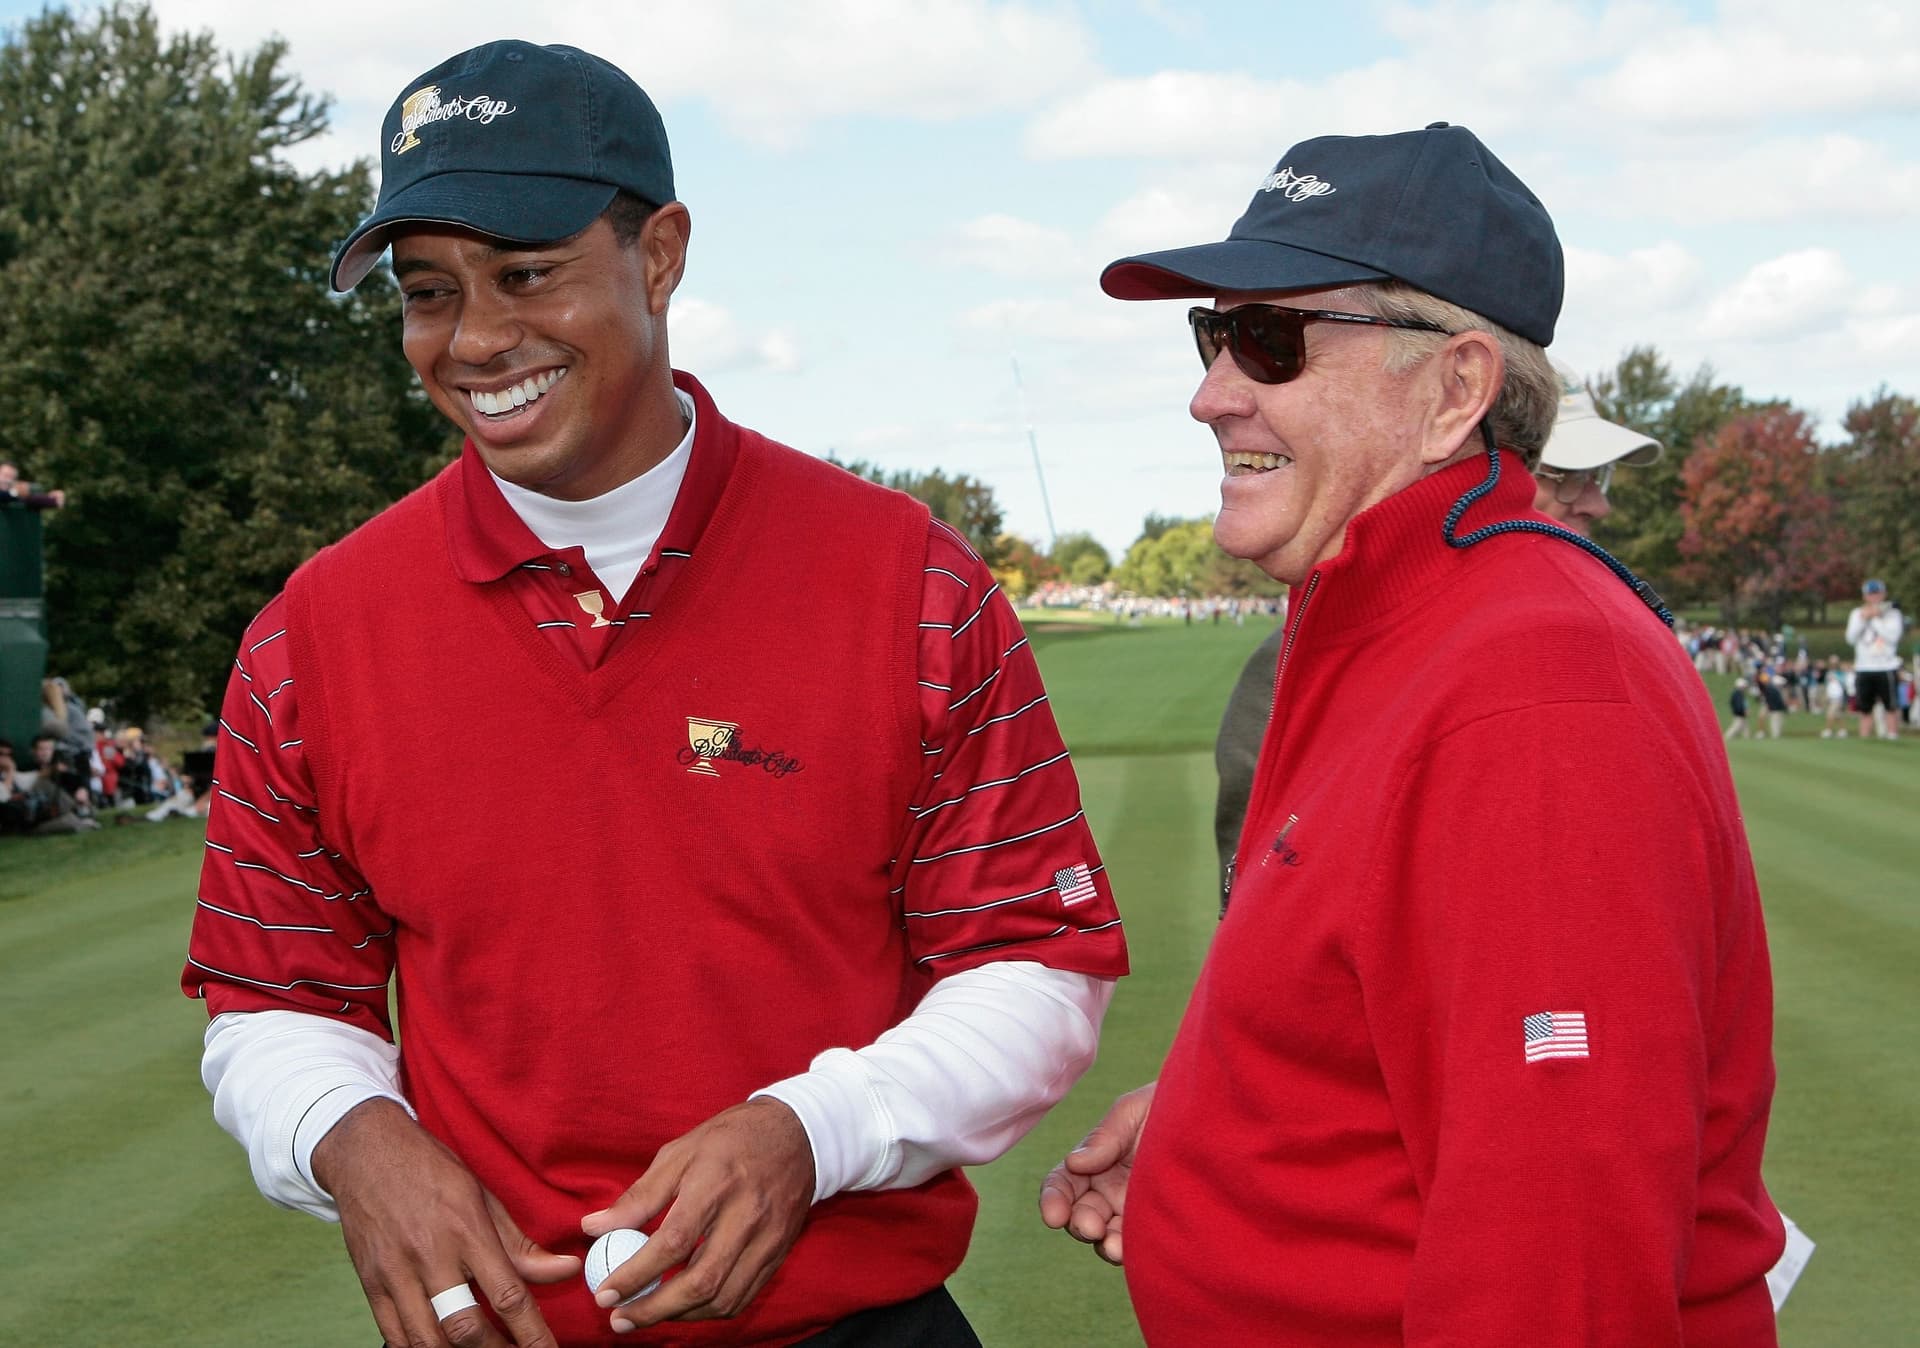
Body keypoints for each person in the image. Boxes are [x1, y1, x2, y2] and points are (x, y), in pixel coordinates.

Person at [181, 41, 1127, 1348]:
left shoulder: (912, 582)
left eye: (525, 275)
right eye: (426, 293)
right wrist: (355, 1138)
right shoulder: (311, 637)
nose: (476, 340)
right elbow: (275, 998)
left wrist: (811, 1128)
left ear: (661, 255)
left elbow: (1033, 959)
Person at [1040, 124, 1781, 1345]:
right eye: (1212, 334)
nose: (1213, 391)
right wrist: (1231, 1132)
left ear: (1456, 390)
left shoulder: (1535, 686)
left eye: (1269, 341)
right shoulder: (1381, 622)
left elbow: (1562, 1267)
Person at [1208, 364, 1662, 902]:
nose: (1596, 502)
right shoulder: (1296, 659)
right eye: (1567, 475)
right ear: (1467, 459)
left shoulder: (1596, 630)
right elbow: (1270, 916)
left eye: (1598, 477)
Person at [1846, 578, 1904, 740]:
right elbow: (1850, 638)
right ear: (1865, 596)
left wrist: (1876, 618)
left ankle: (1892, 735)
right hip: (1864, 667)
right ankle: (1864, 737)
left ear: (1883, 594)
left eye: (1877, 594)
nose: (1874, 598)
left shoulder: (1893, 614)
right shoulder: (1857, 613)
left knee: (1891, 706)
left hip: (1886, 665)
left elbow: (1893, 637)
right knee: (1864, 708)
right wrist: (1864, 618)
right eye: (1871, 594)